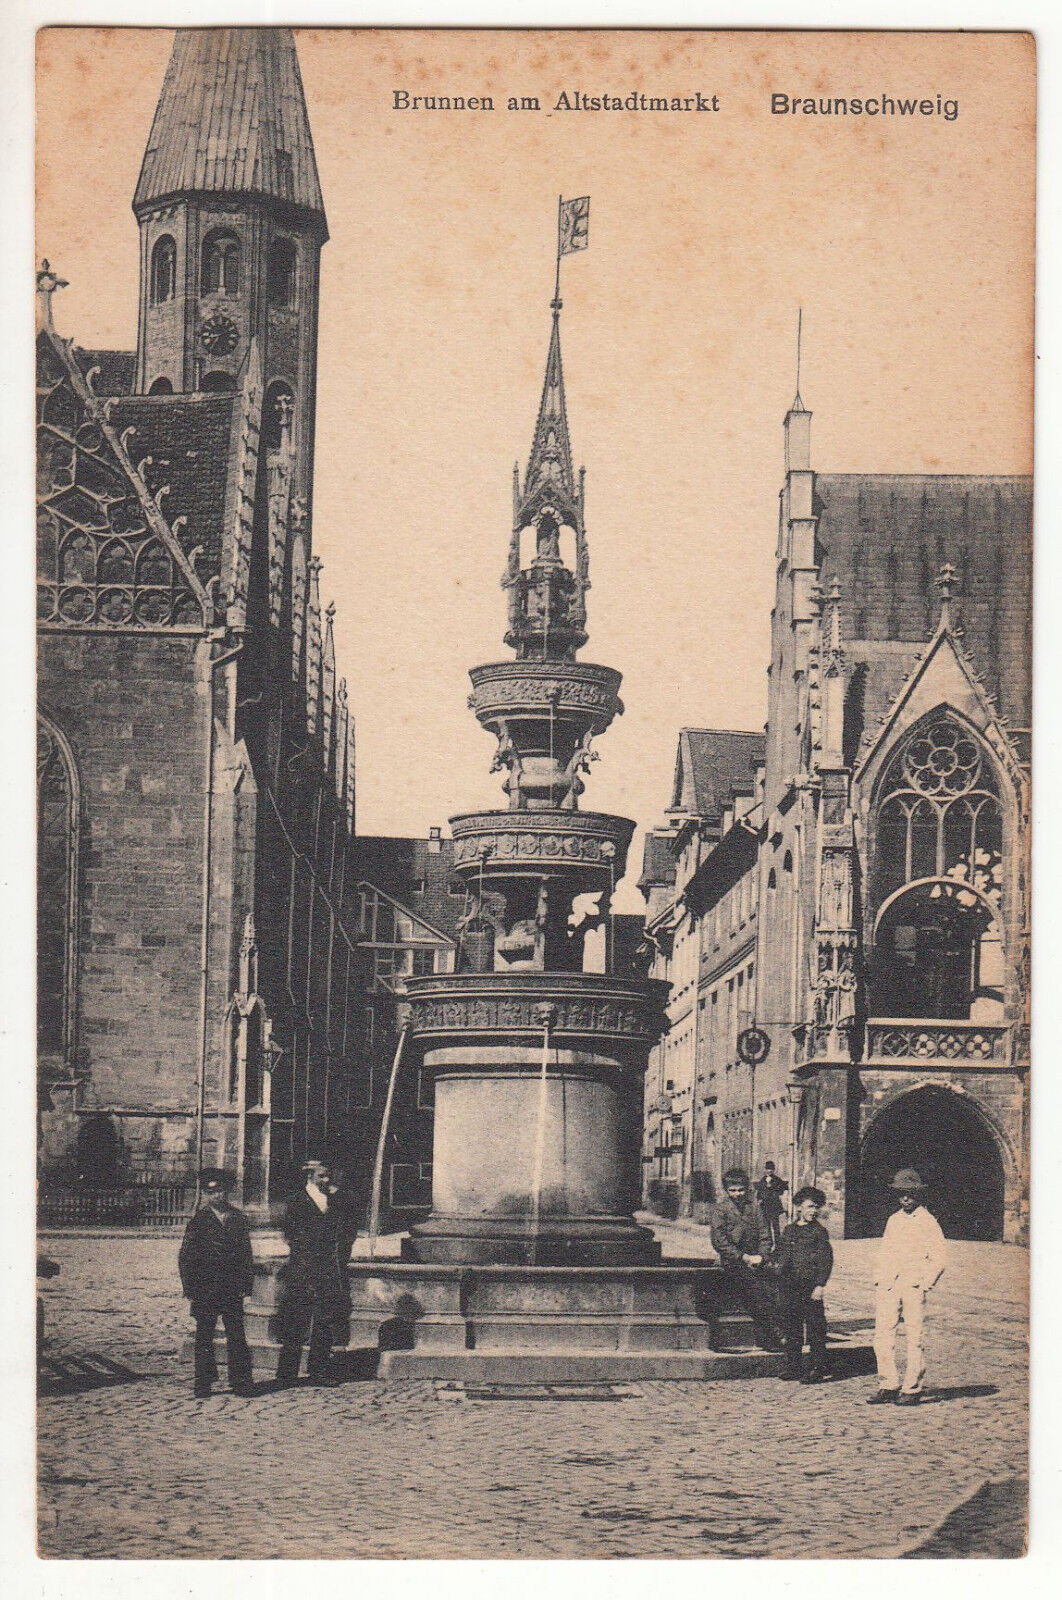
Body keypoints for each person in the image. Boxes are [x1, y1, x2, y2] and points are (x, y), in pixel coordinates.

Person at [868, 1168, 947, 1406]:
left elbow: (939, 1257)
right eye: (901, 1194)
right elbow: (884, 1252)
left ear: (918, 1195)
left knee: (914, 1337)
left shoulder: (928, 1221)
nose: (905, 1198)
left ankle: (912, 1388)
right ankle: (888, 1384)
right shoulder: (894, 1220)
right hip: (890, 1285)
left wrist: (925, 1283)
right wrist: (880, 1278)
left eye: (910, 1194)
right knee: (882, 1335)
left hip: (913, 1286)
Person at [178, 1167, 255, 1398]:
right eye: (211, 1192)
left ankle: (241, 1381)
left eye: (220, 1191)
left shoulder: (238, 1219)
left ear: (227, 1192)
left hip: (231, 1288)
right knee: (204, 1335)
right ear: (205, 1194)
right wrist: (190, 1287)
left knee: (236, 1335)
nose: (217, 1196)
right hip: (206, 1287)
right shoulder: (199, 1221)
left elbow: (246, 1255)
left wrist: (246, 1286)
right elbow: (186, 1256)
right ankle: (203, 1382)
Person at [274, 1160, 351, 1386]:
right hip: (302, 1268)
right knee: (295, 1320)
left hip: (326, 1269)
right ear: (310, 1177)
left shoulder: (333, 1200)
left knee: (324, 1321)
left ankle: (318, 1371)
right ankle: (287, 1373)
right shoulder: (297, 1201)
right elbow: (289, 1233)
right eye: (321, 1176)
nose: (326, 1180)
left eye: (328, 1176)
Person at [709, 1166, 782, 1350]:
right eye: (732, 1190)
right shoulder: (721, 1210)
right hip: (733, 1260)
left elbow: (766, 1236)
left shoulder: (755, 1209)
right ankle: (769, 1336)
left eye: (741, 1190)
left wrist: (761, 1256)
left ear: (746, 1189)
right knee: (755, 1289)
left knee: (779, 1283)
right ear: (726, 1191)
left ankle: (785, 1330)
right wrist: (743, 1257)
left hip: (756, 1259)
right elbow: (719, 1241)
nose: (737, 1194)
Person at [772, 1185, 833, 1383]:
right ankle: (794, 1366)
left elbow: (826, 1260)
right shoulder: (789, 1231)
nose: (813, 1211)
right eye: (809, 1207)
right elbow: (780, 1255)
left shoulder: (819, 1232)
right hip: (791, 1286)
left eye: (816, 1207)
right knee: (792, 1328)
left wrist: (820, 1285)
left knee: (815, 1328)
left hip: (810, 1287)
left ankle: (817, 1368)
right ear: (798, 1207)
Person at [754, 1160, 789, 1249]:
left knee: (775, 1225)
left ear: (773, 1170)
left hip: (774, 1206)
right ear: (765, 1170)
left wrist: (772, 1188)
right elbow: (759, 1191)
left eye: (770, 1169)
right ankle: (768, 1244)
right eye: (767, 1169)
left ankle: (778, 1244)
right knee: (766, 1226)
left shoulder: (777, 1179)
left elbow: (782, 1190)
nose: (768, 1171)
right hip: (765, 1206)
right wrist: (759, 1199)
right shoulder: (762, 1180)